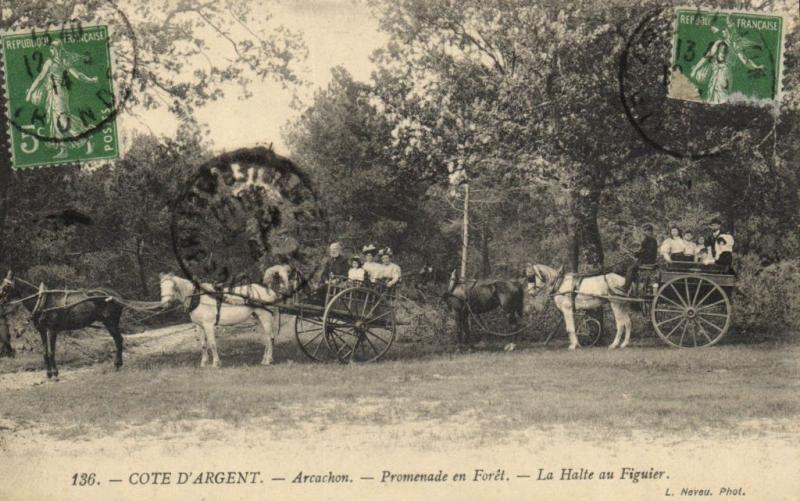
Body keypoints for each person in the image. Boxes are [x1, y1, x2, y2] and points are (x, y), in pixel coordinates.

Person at [25, 40, 98, 158]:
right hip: (51, 94)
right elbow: (40, 78)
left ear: (57, 49)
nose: (51, 50)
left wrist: (91, 80)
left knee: (63, 120)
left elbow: (77, 75)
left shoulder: (62, 62)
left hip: (60, 93)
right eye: (50, 49)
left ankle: (87, 134)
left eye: (52, 48)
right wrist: (31, 92)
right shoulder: (51, 62)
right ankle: (63, 150)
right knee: (55, 121)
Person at [623, 223, 658, 294]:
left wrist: (638, 254)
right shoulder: (648, 239)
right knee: (633, 269)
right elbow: (644, 250)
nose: (645, 232)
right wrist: (637, 253)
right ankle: (635, 286)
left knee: (630, 268)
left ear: (650, 231)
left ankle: (625, 288)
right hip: (645, 259)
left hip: (647, 261)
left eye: (646, 231)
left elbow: (649, 253)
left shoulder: (651, 240)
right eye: (644, 231)